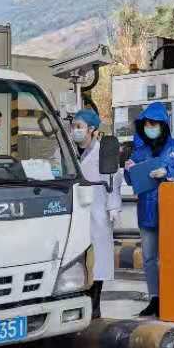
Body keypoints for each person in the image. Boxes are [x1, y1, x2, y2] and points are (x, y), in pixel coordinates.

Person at [124, 101, 174, 318]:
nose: (150, 127)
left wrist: (167, 171)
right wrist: (128, 169)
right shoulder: (140, 150)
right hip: (146, 209)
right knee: (149, 258)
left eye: (154, 123)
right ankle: (155, 298)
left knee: (171, 256)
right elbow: (131, 179)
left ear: (163, 125)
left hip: (171, 211)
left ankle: (172, 297)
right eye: (147, 124)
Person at [72, 108, 121, 319]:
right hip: (75, 211)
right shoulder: (67, 151)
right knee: (76, 256)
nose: (75, 130)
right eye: (73, 126)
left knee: (98, 258)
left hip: (98, 210)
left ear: (92, 129)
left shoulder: (104, 152)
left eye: (79, 127)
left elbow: (114, 180)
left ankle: (95, 304)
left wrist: (113, 207)